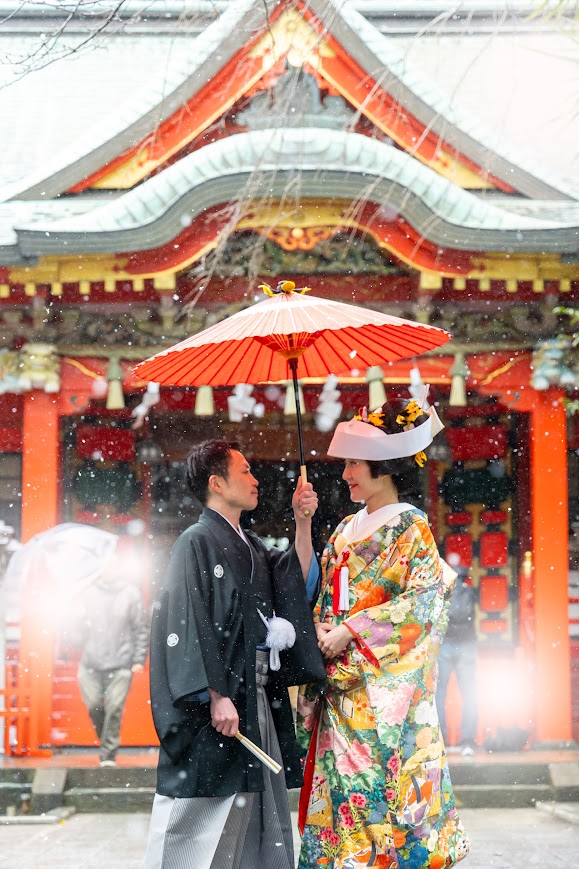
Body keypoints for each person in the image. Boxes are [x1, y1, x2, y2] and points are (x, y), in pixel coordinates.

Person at [297, 401, 470, 869]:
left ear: (384, 467)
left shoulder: (411, 526)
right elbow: (321, 598)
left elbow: (426, 604)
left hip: (382, 691)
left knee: (383, 795)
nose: (346, 474)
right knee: (340, 797)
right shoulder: (343, 530)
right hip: (339, 688)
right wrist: (319, 625)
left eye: (354, 463)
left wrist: (352, 627)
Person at [143, 440, 326, 869]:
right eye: (245, 471)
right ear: (217, 483)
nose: (255, 479)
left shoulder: (252, 546)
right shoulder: (195, 542)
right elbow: (186, 621)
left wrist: (303, 524)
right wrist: (214, 694)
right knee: (201, 812)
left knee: (257, 812)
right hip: (218, 703)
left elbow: (293, 587)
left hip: (254, 698)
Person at [74, 545, 148, 767]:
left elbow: (141, 628)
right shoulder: (87, 594)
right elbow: (75, 638)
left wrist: (138, 659)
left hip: (121, 662)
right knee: (94, 706)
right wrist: (75, 618)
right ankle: (106, 742)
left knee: (114, 708)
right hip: (90, 662)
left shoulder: (131, 594)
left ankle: (108, 754)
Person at [436, 553, 478, 757]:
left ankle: (440, 740)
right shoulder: (469, 590)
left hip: (444, 644)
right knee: (469, 694)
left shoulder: (439, 590)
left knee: (438, 694)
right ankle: (467, 741)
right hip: (467, 644)